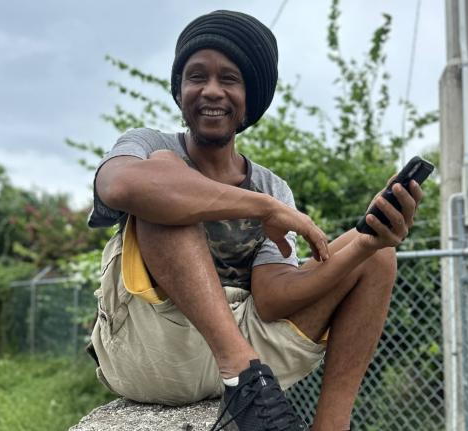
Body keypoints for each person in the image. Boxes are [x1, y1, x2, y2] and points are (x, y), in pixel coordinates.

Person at [87, 10, 423, 431]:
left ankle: (331, 423)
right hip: (154, 350)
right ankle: (240, 371)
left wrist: (365, 244)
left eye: (229, 79)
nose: (211, 91)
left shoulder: (271, 184)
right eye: (196, 77)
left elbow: (274, 298)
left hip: (252, 352)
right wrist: (262, 208)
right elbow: (118, 187)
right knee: (164, 184)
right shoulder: (148, 144)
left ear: (251, 96)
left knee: (379, 256)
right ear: (179, 89)